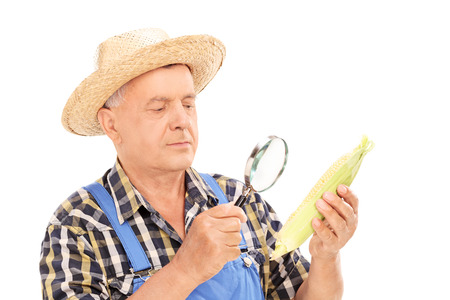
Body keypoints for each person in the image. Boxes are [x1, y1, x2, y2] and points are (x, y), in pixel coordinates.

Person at [40, 28, 359, 300]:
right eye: (159, 108)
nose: (182, 121)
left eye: (188, 103)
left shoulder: (238, 198)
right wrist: (185, 270)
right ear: (111, 125)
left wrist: (326, 256)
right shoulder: (77, 225)